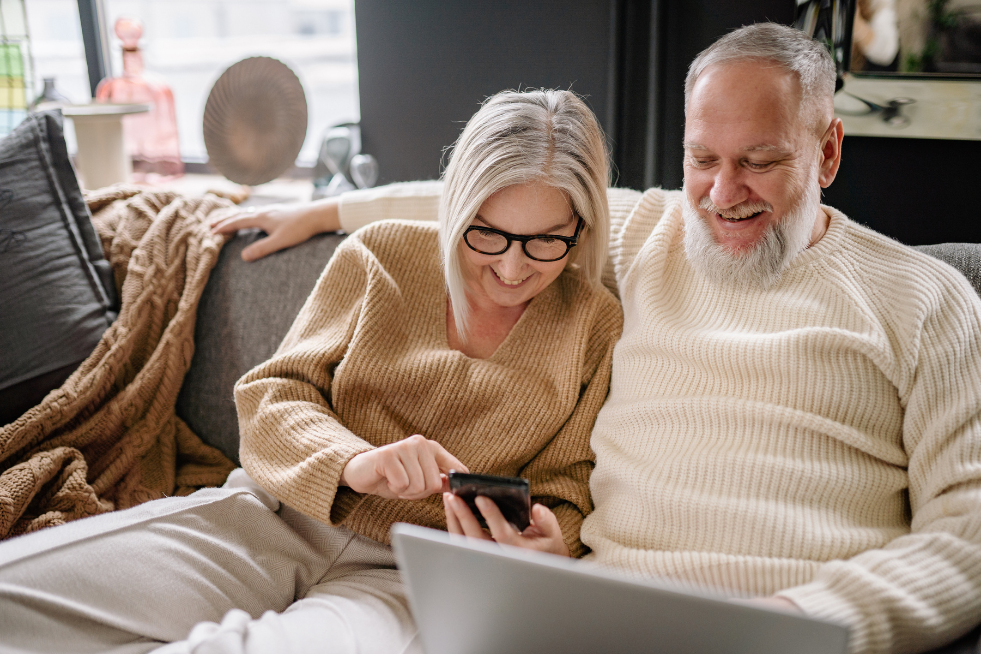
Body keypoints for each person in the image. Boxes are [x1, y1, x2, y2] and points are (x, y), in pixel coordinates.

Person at [220, 23, 981, 654]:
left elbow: (968, 535)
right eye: (702, 160)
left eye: (759, 162)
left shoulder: (925, 299)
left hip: (793, 626)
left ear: (826, 152)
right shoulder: (651, 233)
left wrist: (810, 618)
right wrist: (328, 212)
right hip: (593, 616)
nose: (722, 195)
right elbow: (503, 195)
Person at [0, 89, 622, 654]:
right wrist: (355, 461)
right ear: (456, 208)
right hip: (272, 518)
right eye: (487, 235)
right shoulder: (381, 255)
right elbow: (273, 395)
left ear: (580, 229)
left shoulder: (593, 323)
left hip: (409, 577)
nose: (513, 269)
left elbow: (565, 487)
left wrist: (550, 546)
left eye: (545, 242)